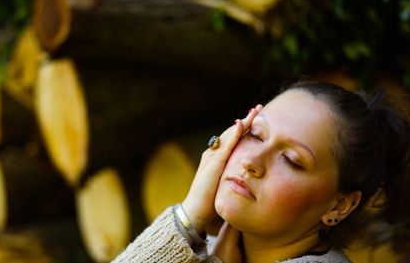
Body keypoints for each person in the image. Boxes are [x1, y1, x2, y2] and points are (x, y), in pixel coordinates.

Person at [112, 80, 409, 263]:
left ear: (339, 205)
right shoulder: (211, 248)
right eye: (255, 134)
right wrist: (188, 218)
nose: (253, 160)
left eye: (291, 160)